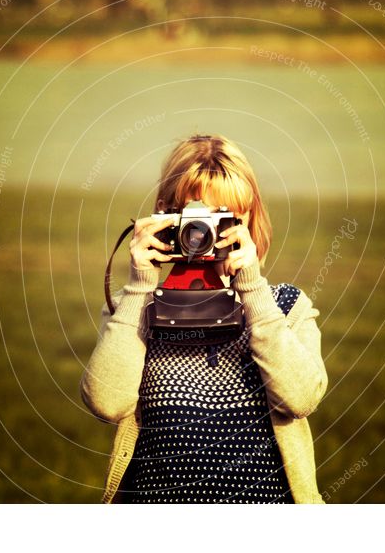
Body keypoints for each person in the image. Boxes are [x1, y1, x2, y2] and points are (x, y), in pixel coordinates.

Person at [80, 134, 328, 503]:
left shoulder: (285, 306)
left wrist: (253, 290)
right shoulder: (132, 309)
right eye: (192, 219)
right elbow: (107, 404)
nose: (203, 235)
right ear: (163, 215)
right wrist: (139, 287)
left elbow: (300, 399)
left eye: (223, 220)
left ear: (249, 219)